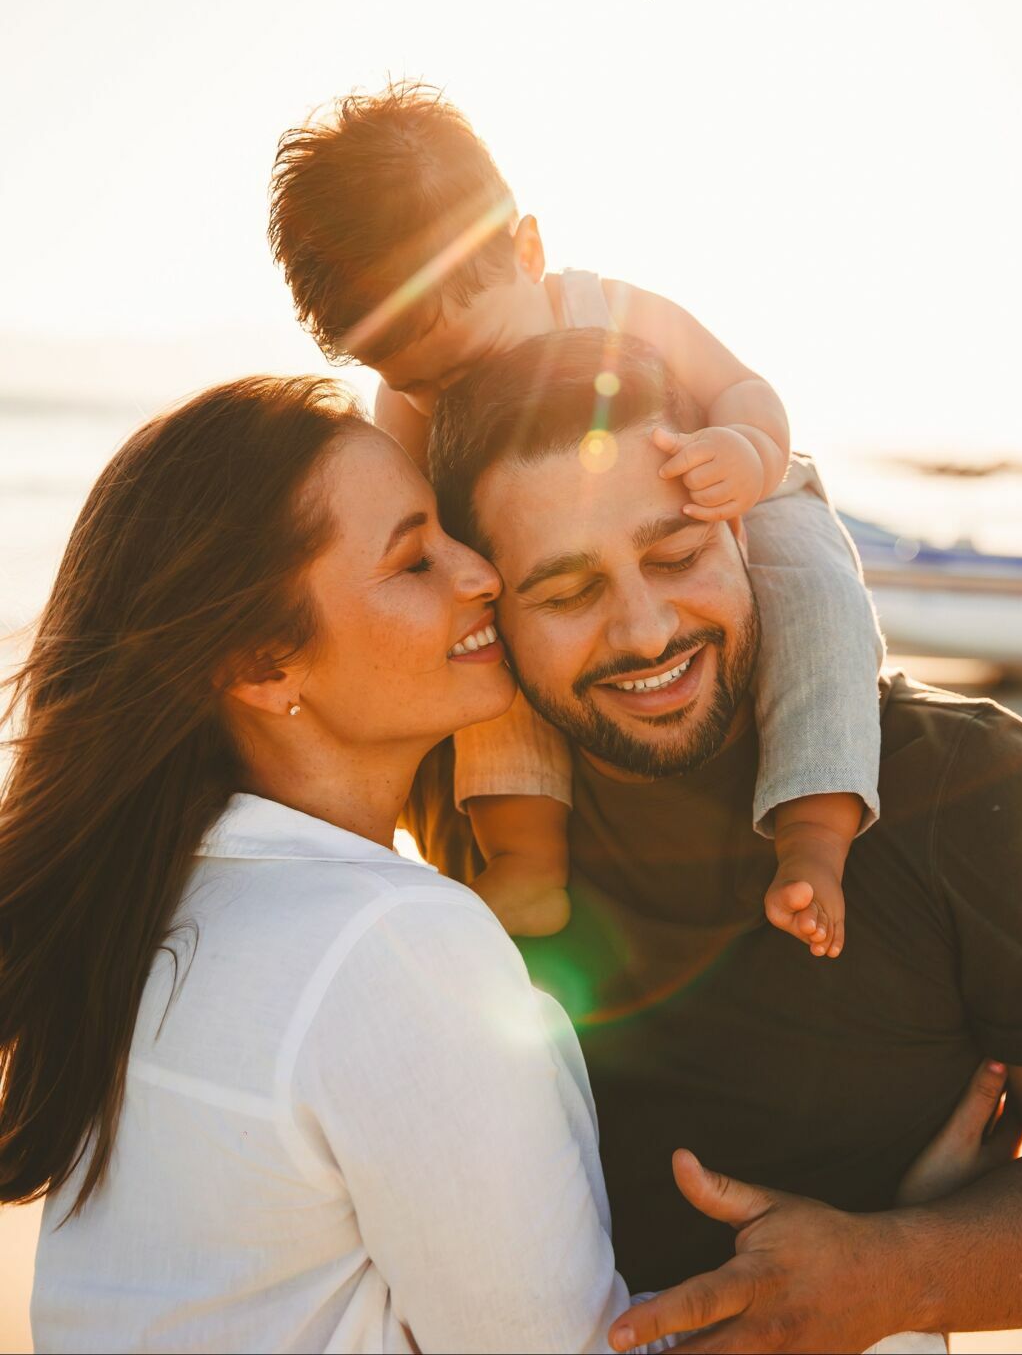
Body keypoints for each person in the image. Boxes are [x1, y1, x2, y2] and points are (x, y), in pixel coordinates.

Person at [406, 328, 1022, 1354]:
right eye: (568, 591)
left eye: (675, 554)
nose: (643, 631)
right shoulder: (461, 804)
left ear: (745, 527)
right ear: (492, 604)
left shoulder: (973, 792)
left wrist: (902, 1275)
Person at [6, 376, 656, 1352]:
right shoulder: (387, 944)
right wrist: (884, 1302)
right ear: (267, 665)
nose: (480, 572)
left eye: (448, 531)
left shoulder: (165, 904)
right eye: (413, 561)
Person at [268, 81, 883, 955]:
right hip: (531, 550)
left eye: (474, 360)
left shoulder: (621, 311)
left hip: (720, 491)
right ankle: (524, 857)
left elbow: (743, 389)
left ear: (526, 251)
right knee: (486, 625)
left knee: (819, 593)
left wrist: (745, 450)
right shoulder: (403, 413)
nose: (459, 396)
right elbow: (410, 532)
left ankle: (814, 836)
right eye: (422, 384)